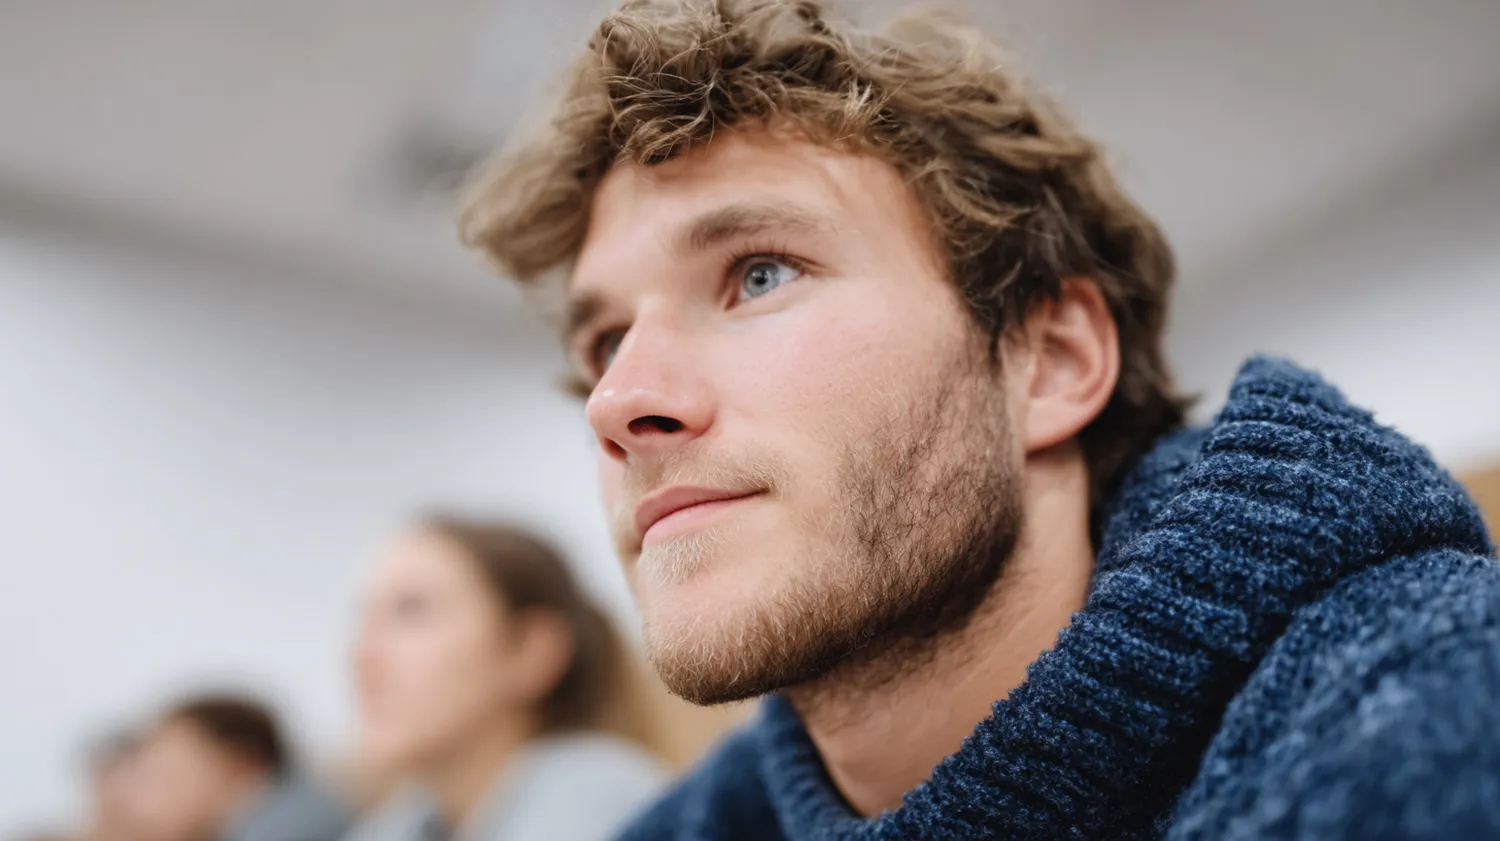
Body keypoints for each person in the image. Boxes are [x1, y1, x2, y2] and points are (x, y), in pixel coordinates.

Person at [455, 1, 1500, 839]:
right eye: (601, 342)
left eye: (758, 273)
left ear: (1049, 363)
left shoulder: (1440, 705)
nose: (617, 399)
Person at [348, 516, 668, 841]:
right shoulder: (403, 824)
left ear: (530, 651)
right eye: (367, 617)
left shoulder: (599, 805)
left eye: (413, 613)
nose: (363, 657)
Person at [126, 695, 348, 841]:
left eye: (167, 777)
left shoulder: (287, 829)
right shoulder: (301, 811)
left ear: (238, 766)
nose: (140, 802)